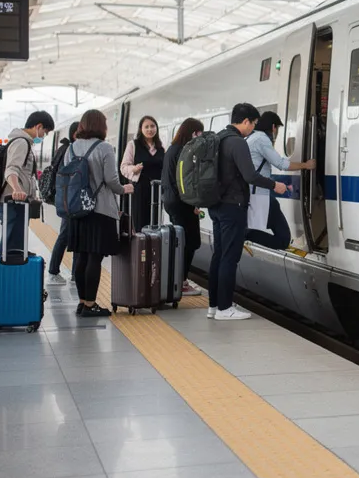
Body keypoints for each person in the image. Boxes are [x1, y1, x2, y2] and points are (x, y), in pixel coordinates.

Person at [209, 103, 283, 321]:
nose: (253, 129)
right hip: (233, 207)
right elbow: (250, 176)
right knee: (230, 258)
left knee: (219, 255)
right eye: (253, 124)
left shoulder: (218, 139)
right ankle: (224, 308)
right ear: (246, 122)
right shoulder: (237, 143)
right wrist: (273, 185)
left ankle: (213, 306)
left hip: (216, 205)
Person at [0, 111, 55, 307]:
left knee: (11, 243)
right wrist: (18, 189)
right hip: (12, 202)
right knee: (11, 245)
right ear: (38, 126)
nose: (43, 137)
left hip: (11, 203)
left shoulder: (18, 141)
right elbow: (12, 170)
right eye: (44, 132)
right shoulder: (22, 142)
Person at [64, 109, 130, 317]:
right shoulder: (104, 148)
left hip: (77, 210)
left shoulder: (72, 148)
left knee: (81, 256)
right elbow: (111, 180)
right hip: (100, 210)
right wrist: (124, 189)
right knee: (95, 257)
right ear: (101, 125)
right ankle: (91, 305)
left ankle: (83, 302)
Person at [246, 111, 315, 251]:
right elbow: (281, 164)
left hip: (252, 194)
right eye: (277, 129)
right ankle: (244, 234)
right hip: (259, 195)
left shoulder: (251, 137)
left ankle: (244, 233)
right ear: (273, 127)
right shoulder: (262, 139)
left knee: (263, 227)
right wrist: (306, 165)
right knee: (282, 240)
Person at [162, 118, 206, 297]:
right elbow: (185, 181)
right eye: (199, 133)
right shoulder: (183, 151)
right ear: (193, 132)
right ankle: (180, 282)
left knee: (183, 241)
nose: (199, 138)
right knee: (190, 242)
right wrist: (193, 202)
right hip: (181, 203)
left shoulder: (173, 150)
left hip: (173, 201)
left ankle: (179, 280)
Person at [46, 121, 79, 286]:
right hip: (70, 200)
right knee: (67, 235)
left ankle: (73, 273)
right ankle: (54, 271)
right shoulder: (69, 150)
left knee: (68, 235)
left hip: (67, 199)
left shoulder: (64, 149)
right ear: (75, 135)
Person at [120, 115, 165, 232]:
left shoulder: (161, 147)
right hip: (140, 190)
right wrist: (134, 169)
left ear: (157, 128)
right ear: (141, 129)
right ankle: (141, 249)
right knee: (141, 223)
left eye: (153, 126)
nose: (150, 129)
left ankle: (154, 249)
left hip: (157, 191)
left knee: (155, 223)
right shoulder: (133, 145)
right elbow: (123, 167)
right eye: (146, 127)